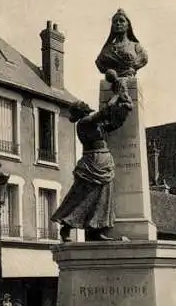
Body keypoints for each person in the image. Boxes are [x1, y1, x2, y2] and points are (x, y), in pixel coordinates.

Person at [51, 93, 132, 242]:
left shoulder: (95, 124)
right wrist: (117, 95)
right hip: (92, 162)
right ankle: (66, 227)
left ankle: (97, 230)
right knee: (81, 196)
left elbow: (114, 124)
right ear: (82, 112)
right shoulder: (84, 122)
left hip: (103, 161)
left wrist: (125, 109)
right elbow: (104, 112)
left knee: (103, 197)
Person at [95, 8, 148, 78]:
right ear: (112, 27)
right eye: (115, 21)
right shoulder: (106, 49)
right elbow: (100, 63)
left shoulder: (136, 46)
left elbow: (144, 58)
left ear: (128, 26)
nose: (118, 23)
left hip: (129, 77)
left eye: (121, 21)